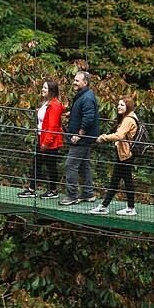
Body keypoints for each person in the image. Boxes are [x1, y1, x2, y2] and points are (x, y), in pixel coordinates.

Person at [89, 96, 139, 216]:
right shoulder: (130, 117)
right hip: (125, 154)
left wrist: (104, 137)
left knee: (118, 181)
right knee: (122, 181)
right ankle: (126, 207)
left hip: (125, 155)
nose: (118, 107)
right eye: (118, 104)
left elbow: (119, 135)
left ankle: (106, 206)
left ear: (128, 106)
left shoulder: (128, 119)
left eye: (122, 105)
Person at [18, 80, 64, 199]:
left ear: (51, 91)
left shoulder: (54, 105)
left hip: (49, 142)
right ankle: (32, 188)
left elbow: (53, 126)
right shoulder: (46, 103)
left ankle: (53, 190)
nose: (42, 89)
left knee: (50, 165)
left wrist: (46, 143)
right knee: (37, 163)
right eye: (43, 87)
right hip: (42, 138)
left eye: (45, 88)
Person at [60, 70, 99, 206]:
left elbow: (89, 117)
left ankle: (72, 196)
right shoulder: (83, 95)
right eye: (74, 80)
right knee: (83, 166)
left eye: (77, 80)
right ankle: (88, 193)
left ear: (85, 82)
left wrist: (79, 134)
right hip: (84, 138)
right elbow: (83, 111)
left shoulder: (87, 97)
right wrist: (72, 113)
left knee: (70, 165)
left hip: (81, 138)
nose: (74, 82)